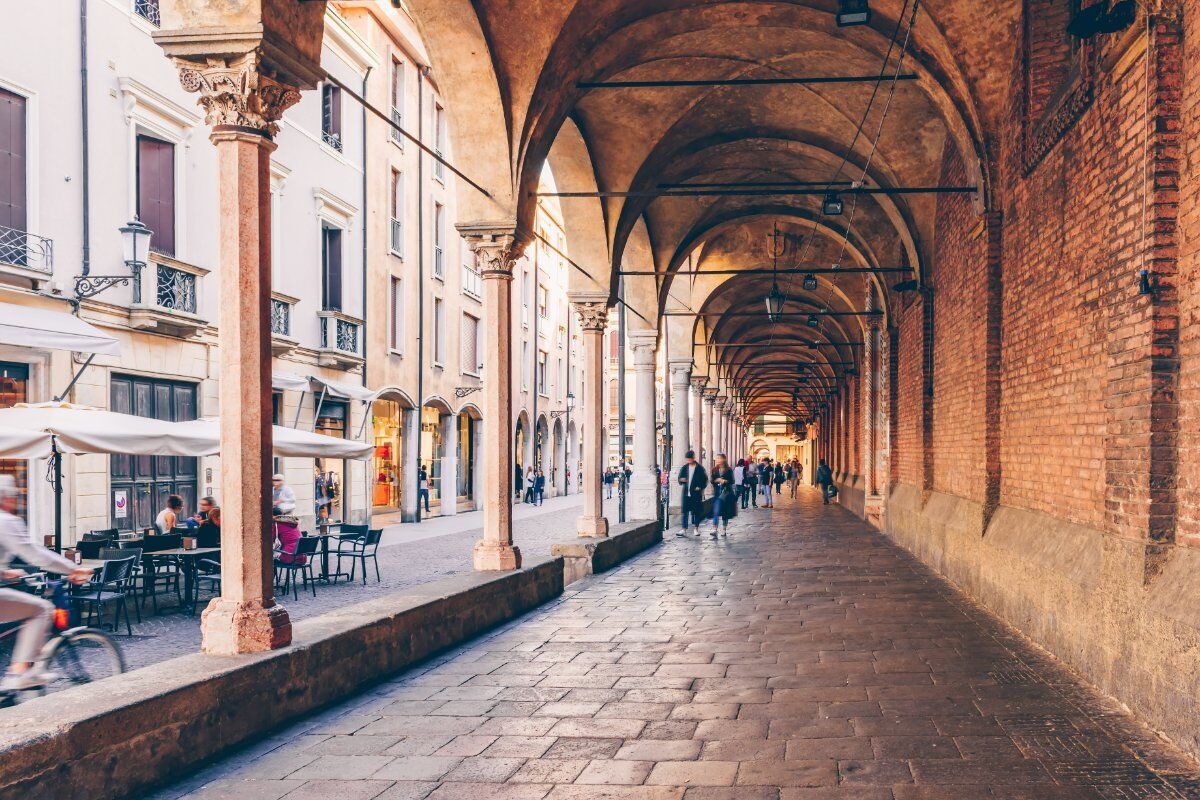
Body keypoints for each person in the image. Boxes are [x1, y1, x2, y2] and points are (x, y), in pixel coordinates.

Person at [0, 476, 92, 691]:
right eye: (14, 497)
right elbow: (36, 554)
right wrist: (73, 569)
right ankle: (20, 672)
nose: (16, 502)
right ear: (7, 498)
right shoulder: (6, 521)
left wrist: (5, 573)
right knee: (42, 609)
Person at [675, 450, 708, 538]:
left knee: (696, 511)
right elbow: (679, 478)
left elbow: (705, 480)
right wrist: (681, 480)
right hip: (686, 493)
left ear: (693, 458)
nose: (688, 461)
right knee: (685, 511)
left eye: (690, 459)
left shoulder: (700, 468)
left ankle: (696, 529)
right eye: (687, 459)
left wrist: (700, 487)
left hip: (696, 494)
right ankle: (684, 529)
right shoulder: (684, 468)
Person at [710, 454, 735, 538]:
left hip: (726, 494)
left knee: (725, 513)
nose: (717, 460)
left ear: (724, 459)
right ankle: (714, 528)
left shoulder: (728, 470)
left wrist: (724, 481)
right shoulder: (714, 469)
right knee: (716, 511)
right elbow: (712, 480)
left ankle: (724, 529)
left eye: (719, 458)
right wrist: (716, 480)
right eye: (717, 458)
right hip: (717, 494)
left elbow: (732, 481)